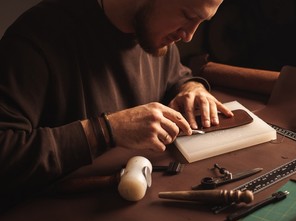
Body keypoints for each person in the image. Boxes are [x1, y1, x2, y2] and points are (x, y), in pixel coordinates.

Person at [0, 0, 233, 208]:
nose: (189, 35)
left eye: (202, 21)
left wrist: (190, 87)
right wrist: (106, 130)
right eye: (189, 16)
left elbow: (174, 76)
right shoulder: (37, 37)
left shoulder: (152, 31)